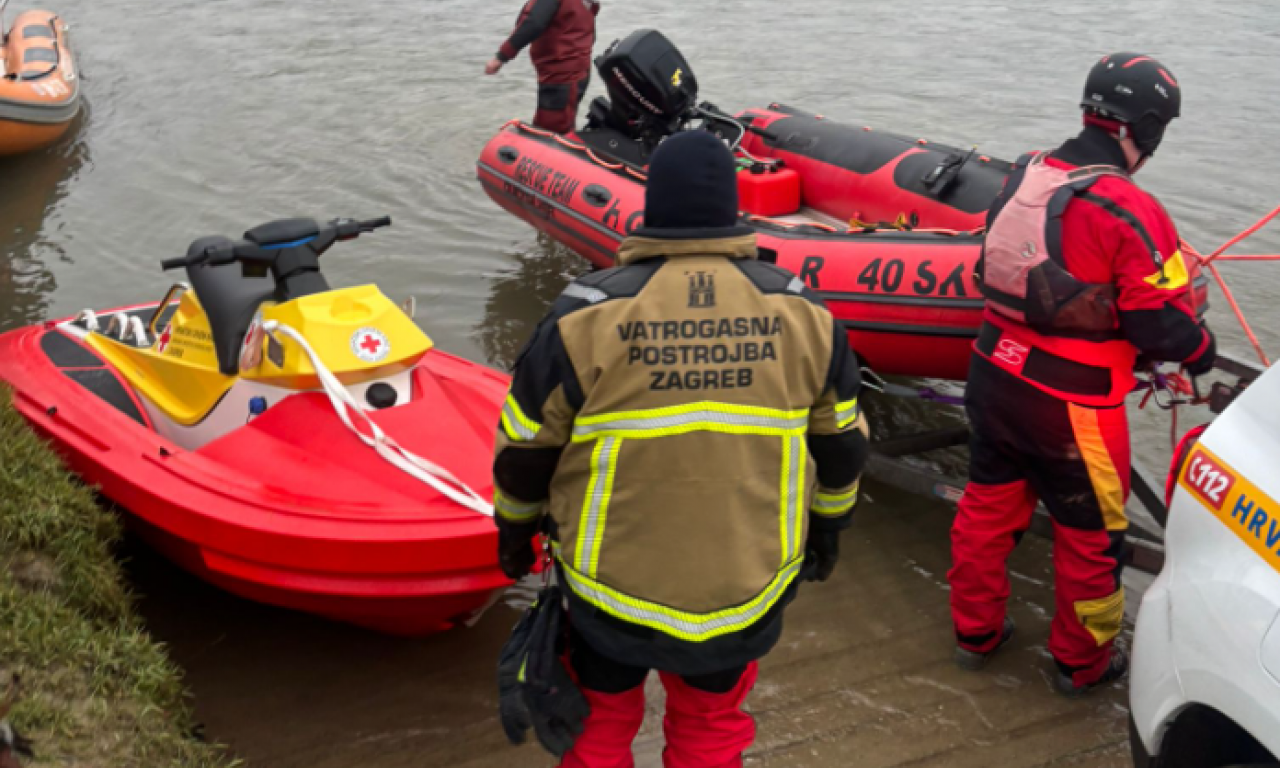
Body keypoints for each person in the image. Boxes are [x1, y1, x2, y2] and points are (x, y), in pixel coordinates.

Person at [492, 130, 870, 767]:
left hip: (610, 588)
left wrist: (513, 530)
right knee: (712, 723)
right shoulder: (806, 314)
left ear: (651, 208)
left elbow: (525, 448)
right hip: (745, 585)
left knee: (599, 722)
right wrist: (829, 529)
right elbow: (841, 450)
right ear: (734, 210)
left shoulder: (584, 314)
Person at [948, 52, 1217, 697]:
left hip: (992, 373)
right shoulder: (1126, 206)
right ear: (1148, 128)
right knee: (1093, 540)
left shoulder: (1023, 173)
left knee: (985, 511)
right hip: (1072, 407)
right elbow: (1158, 326)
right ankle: (1082, 664)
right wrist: (1202, 350)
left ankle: (974, 635)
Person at [485, 0, 600, 135]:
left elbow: (534, 23)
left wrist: (501, 57)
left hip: (561, 74)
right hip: (578, 71)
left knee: (550, 134)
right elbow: (590, 30)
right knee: (562, 127)